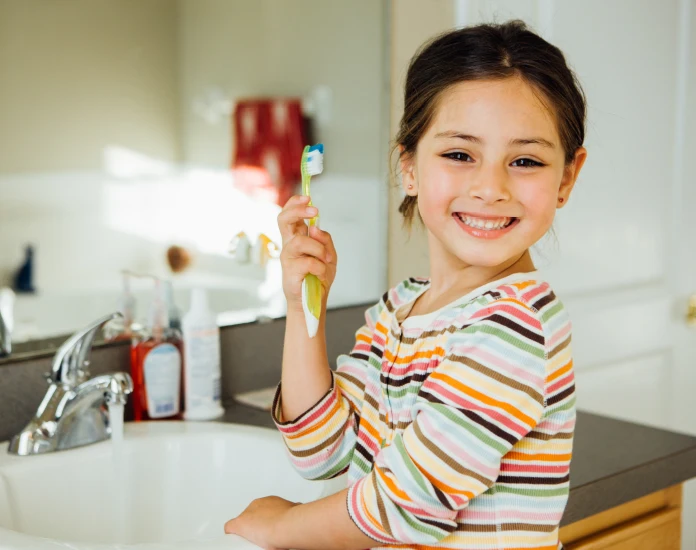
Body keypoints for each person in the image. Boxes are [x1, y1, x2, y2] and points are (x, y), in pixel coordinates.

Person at [225, 19, 587, 550]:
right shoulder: (402, 309)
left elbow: (403, 505)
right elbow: (321, 451)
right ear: (410, 167)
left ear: (566, 179)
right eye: (460, 154)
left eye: (526, 160)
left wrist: (281, 526)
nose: (490, 187)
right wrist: (304, 304)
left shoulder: (514, 326)